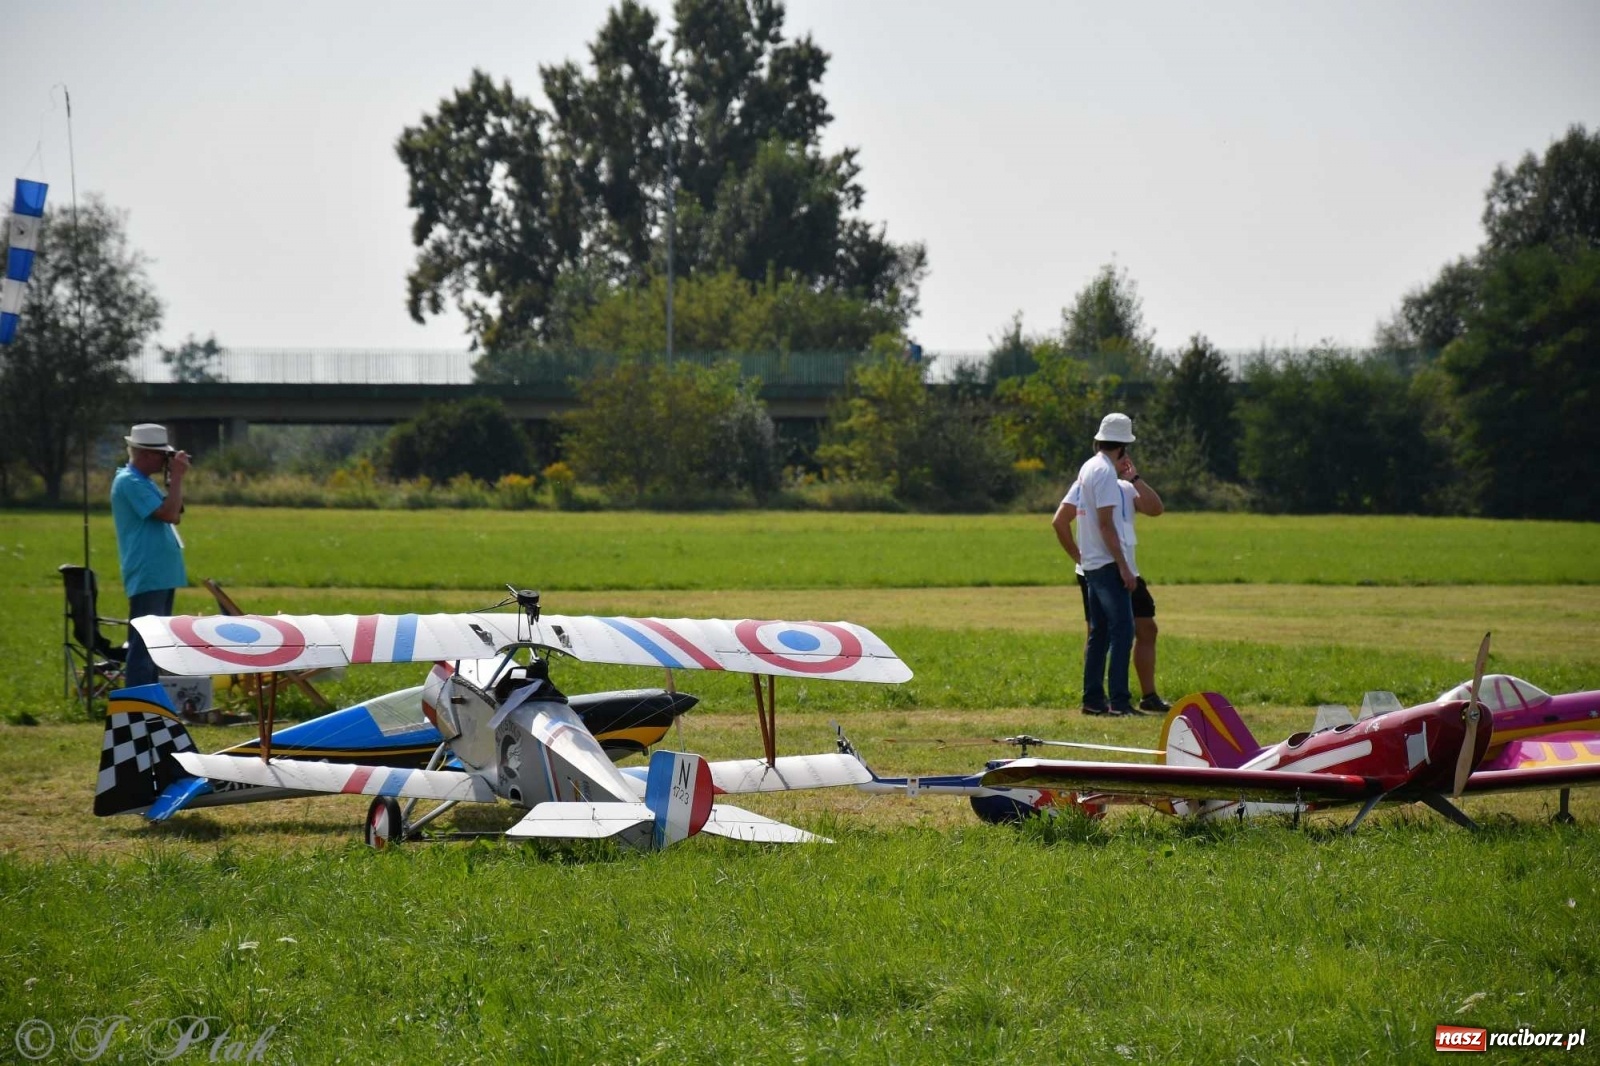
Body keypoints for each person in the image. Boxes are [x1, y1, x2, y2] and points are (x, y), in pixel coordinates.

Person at [1054, 455, 1168, 715]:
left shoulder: (1127, 488)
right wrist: (1079, 558)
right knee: (1101, 633)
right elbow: (1060, 521)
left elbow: (1155, 508)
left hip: (1128, 569)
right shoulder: (1085, 484)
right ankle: (1103, 698)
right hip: (1100, 569)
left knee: (1147, 628)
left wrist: (1135, 479)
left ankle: (1148, 696)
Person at [1051, 412, 1144, 716]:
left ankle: (1092, 700)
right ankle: (1119, 701)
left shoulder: (1088, 467)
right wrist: (1124, 567)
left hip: (1091, 564)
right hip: (1106, 564)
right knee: (1123, 631)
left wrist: (1084, 557)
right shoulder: (1105, 473)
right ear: (1122, 447)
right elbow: (1106, 525)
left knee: (1099, 632)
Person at [111, 423, 190, 688]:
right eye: (160, 455)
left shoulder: (144, 482)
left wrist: (173, 480)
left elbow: (175, 514)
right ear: (145, 454)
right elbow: (168, 513)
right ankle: (137, 703)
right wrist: (177, 478)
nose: (164, 461)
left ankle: (148, 700)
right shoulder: (129, 482)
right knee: (143, 643)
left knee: (155, 645)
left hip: (161, 572)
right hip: (148, 572)